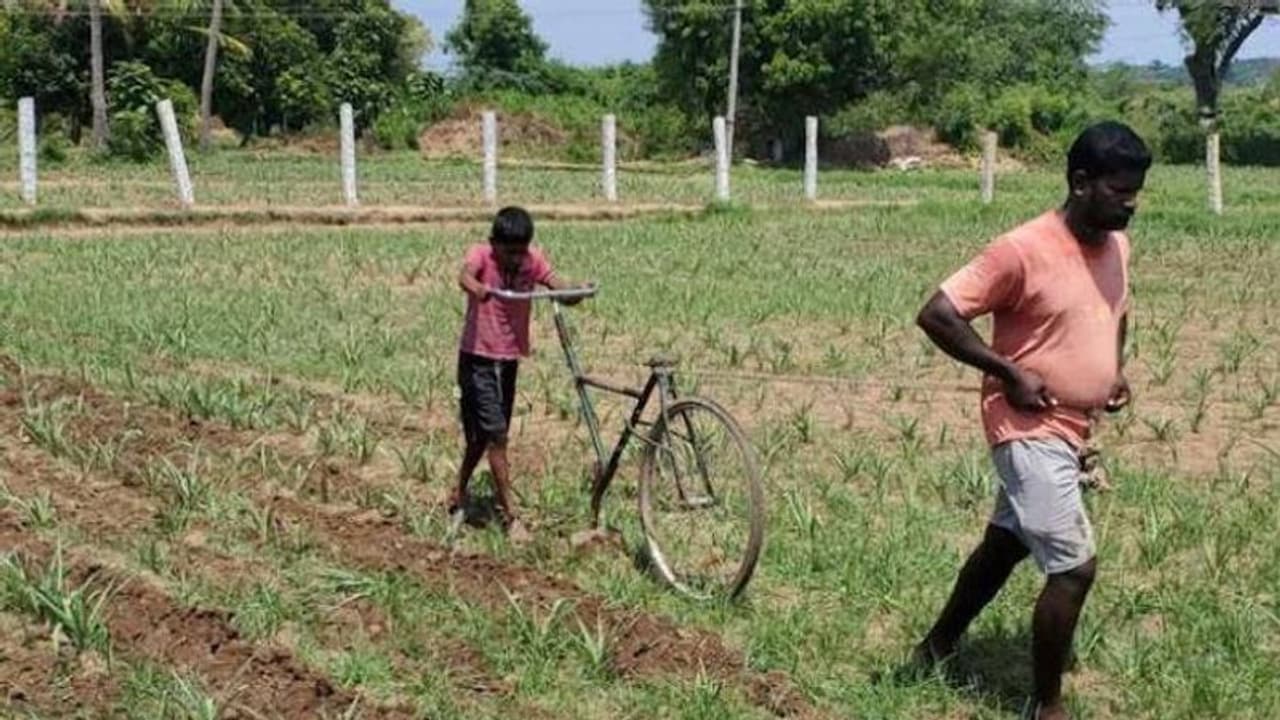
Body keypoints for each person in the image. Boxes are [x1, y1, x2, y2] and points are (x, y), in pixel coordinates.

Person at [912, 121, 1151, 720]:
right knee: (1074, 568)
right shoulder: (1021, 250)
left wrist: (1113, 371)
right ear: (1080, 182)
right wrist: (1008, 371)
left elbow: (1114, 310)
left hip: (1073, 427)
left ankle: (935, 647)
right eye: (1119, 192)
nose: (1130, 205)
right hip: (1026, 427)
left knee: (1006, 544)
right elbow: (938, 314)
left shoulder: (1117, 245)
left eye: (1135, 193)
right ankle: (1047, 707)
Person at [450, 206, 590, 543]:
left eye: (520, 251)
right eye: (509, 252)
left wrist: (577, 292)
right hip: (478, 359)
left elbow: (557, 286)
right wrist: (477, 288)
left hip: (509, 358)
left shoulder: (532, 260)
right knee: (495, 436)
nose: (516, 259)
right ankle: (511, 516)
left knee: (486, 437)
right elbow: (464, 276)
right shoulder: (481, 254)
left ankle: (458, 491)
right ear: (494, 244)